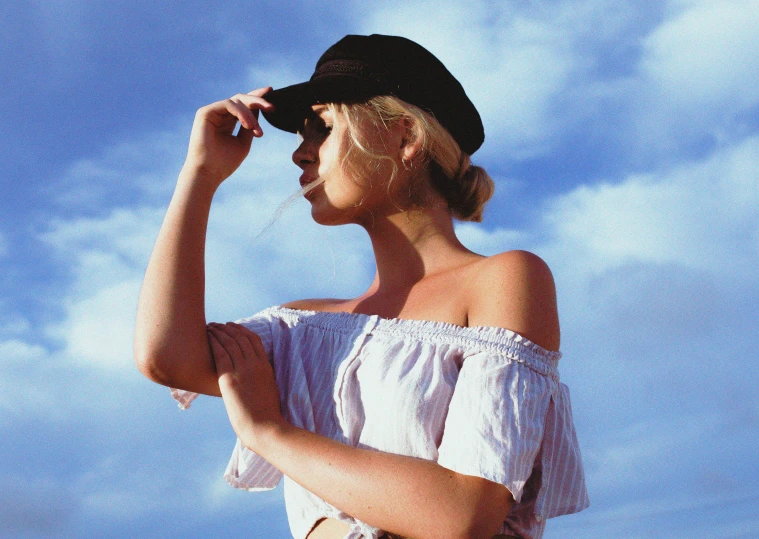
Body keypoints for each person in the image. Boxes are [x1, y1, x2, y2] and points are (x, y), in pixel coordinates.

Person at [134, 34, 589, 539]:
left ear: (406, 138)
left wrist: (270, 432)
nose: (299, 155)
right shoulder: (301, 328)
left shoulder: (504, 278)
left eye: (322, 127)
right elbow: (165, 357)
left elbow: (463, 515)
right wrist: (199, 174)